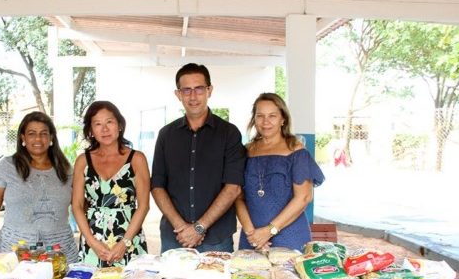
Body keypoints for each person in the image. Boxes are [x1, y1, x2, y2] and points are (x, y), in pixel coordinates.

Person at [151, 63, 246, 253]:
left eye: (199, 89)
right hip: (174, 238)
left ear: (209, 90)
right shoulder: (166, 135)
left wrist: (199, 227)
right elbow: (157, 186)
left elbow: (233, 187)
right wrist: (182, 227)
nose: (193, 96)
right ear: (178, 94)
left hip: (216, 239)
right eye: (186, 90)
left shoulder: (229, 133)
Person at [0, 111, 79, 261]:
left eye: (44, 133)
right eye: (32, 133)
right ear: (23, 137)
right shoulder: (7, 167)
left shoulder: (66, 169)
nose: (38, 139)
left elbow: (79, 206)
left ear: (51, 137)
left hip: (60, 253)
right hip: (14, 252)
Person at [235, 93, 325, 252]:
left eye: (272, 116)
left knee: (288, 277)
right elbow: (238, 197)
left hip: (289, 237)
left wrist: (269, 231)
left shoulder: (296, 152)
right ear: (254, 120)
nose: (265, 121)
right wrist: (252, 234)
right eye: (260, 116)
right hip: (253, 238)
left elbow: (304, 197)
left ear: (283, 119)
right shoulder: (245, 152)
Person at [71, 101, 150, 267]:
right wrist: (92, 242)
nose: (104, 129)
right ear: (91, 130)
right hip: (93, 240)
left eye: (109, 122)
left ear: (119, 125)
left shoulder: (137, 159)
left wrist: (125, 243)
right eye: (97, 124)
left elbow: (143, 206)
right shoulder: (82, 161)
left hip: (129, 238)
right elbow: (77, 206)